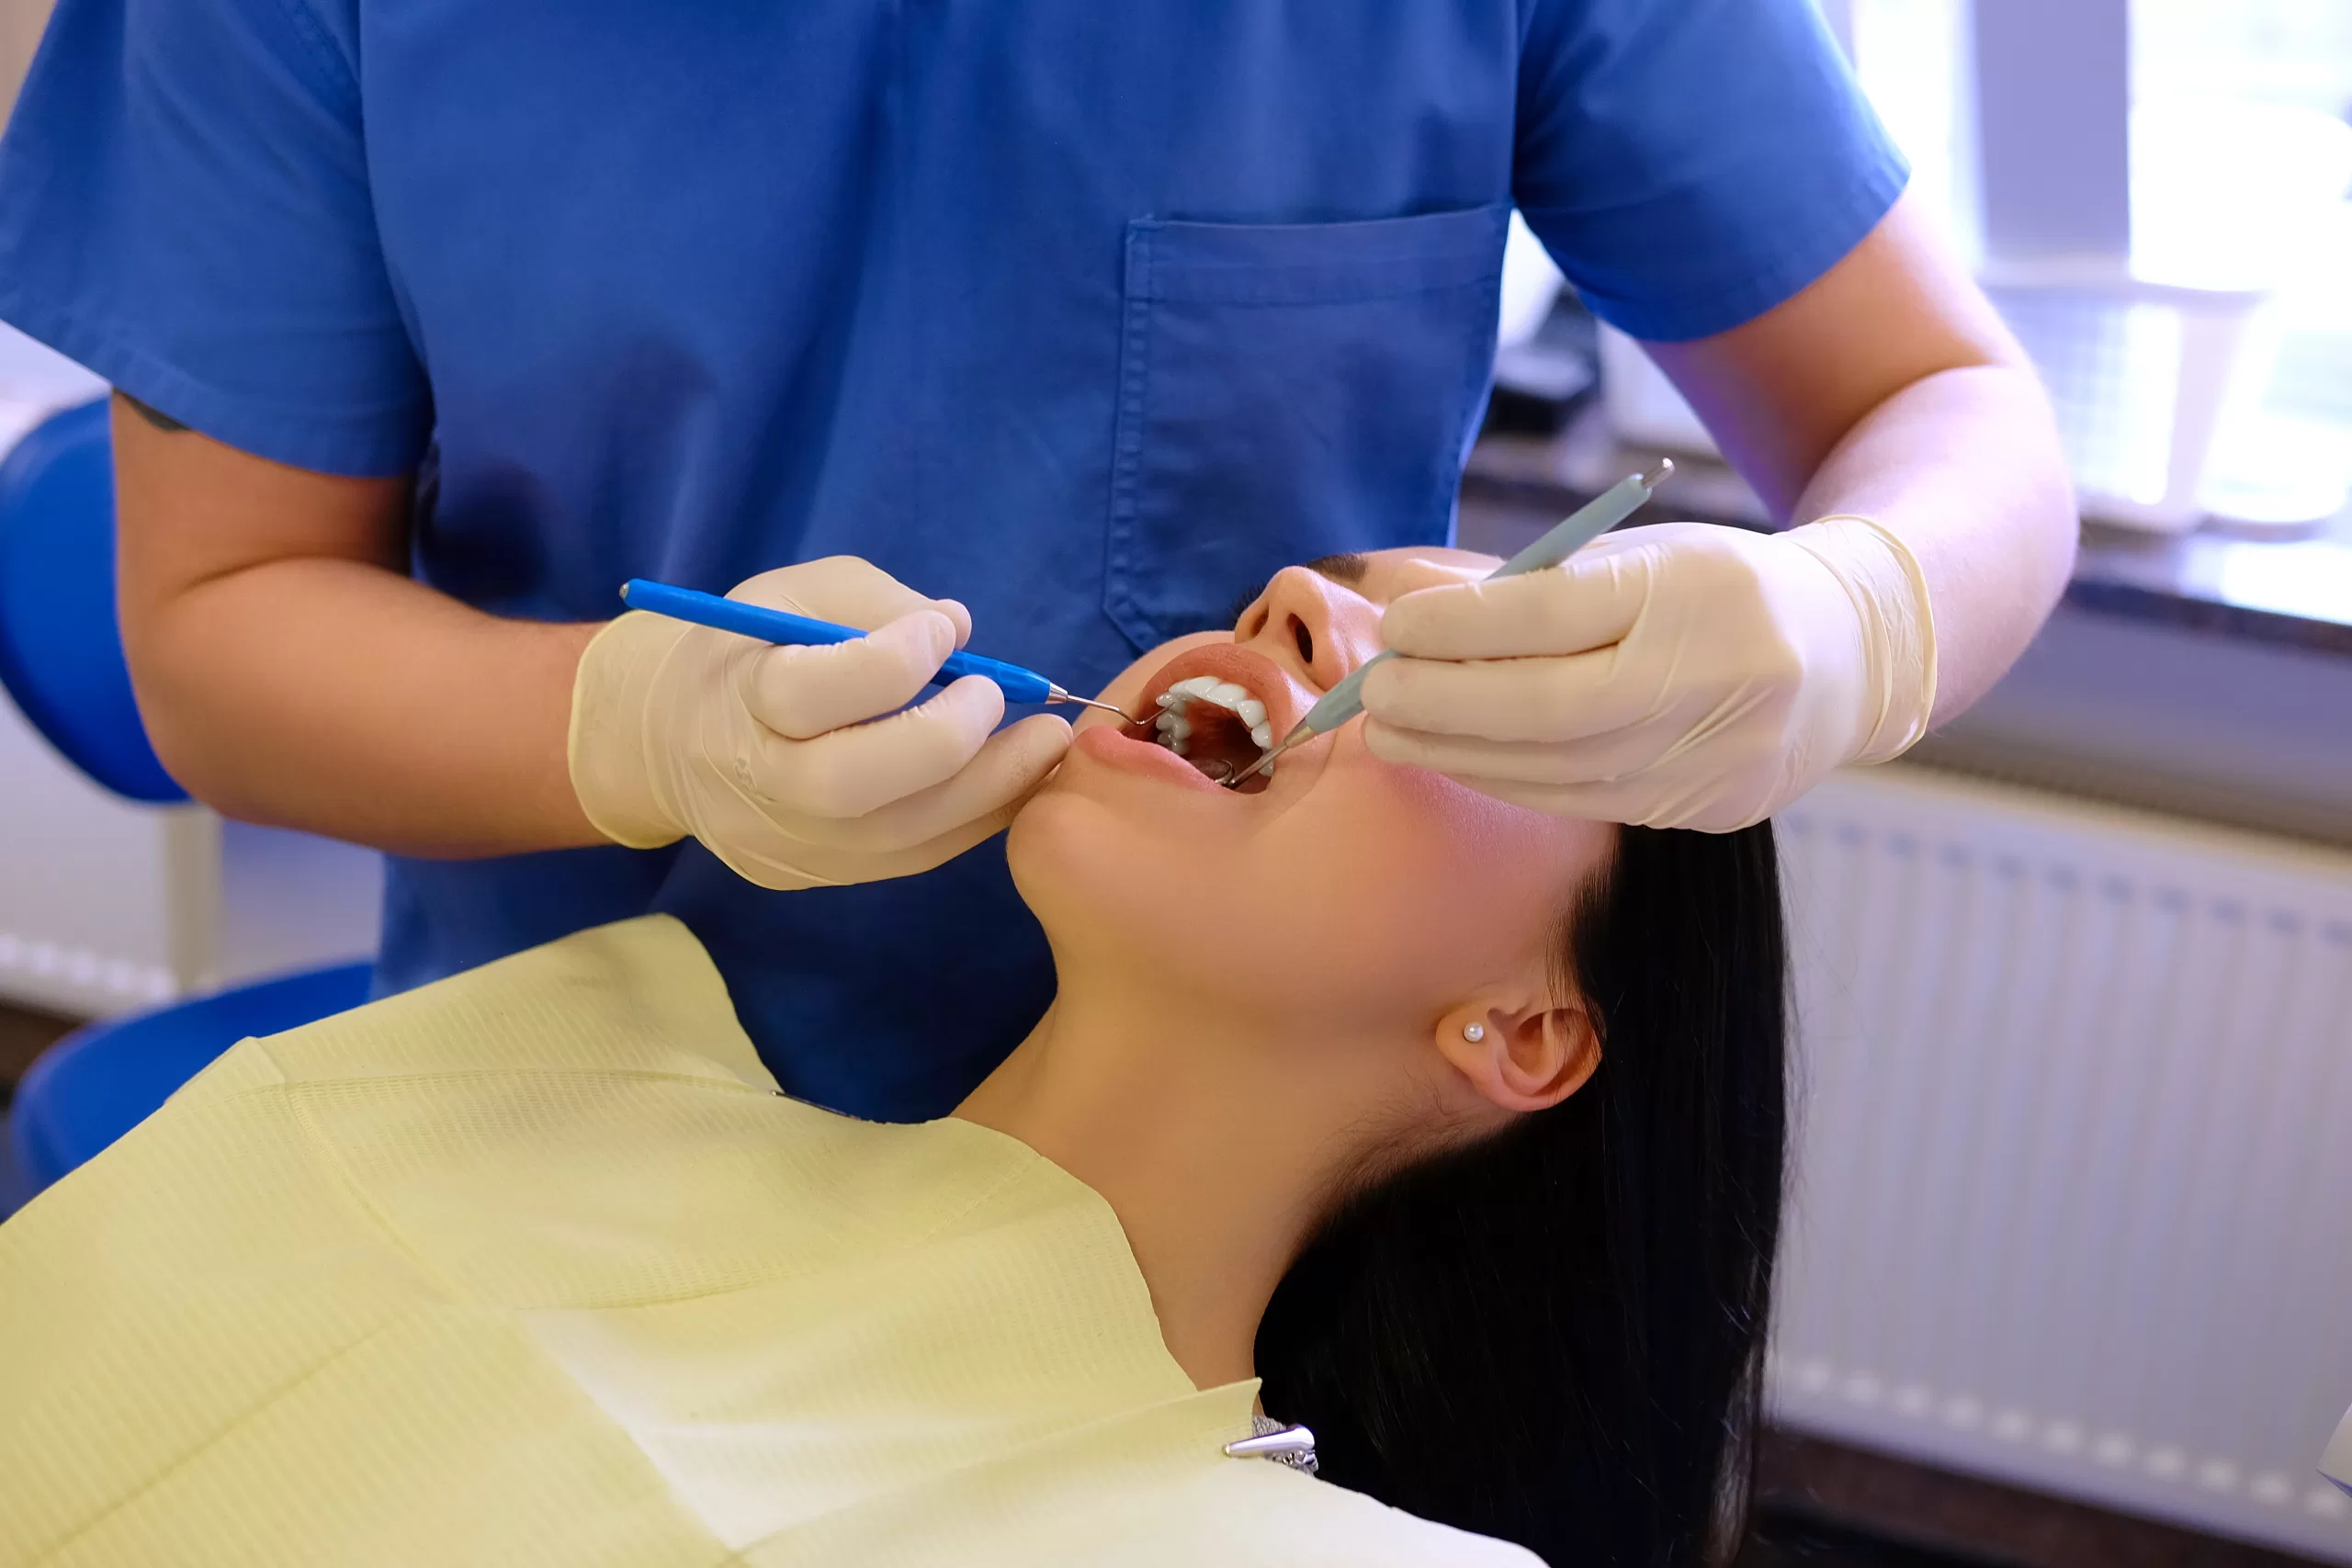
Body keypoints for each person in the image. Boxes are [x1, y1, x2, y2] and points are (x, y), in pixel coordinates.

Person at [0, 0, 2071, 1114]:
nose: (1294, 622)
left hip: (1251, 1208)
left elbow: (1938, 406)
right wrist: (635, 726)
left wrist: (1858, 612)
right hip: (578, 1108)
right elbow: (217, 625)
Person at [0, 549, 1787, 1567]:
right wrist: (627, 718)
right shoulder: (576, 1051)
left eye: (1474, 680)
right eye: (1318, 594)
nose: (1306, 600)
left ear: (1527, 1031)